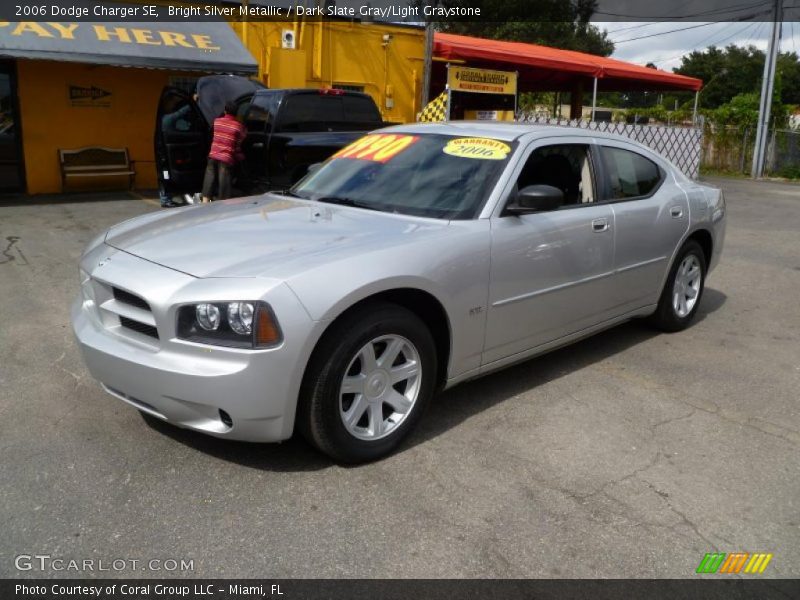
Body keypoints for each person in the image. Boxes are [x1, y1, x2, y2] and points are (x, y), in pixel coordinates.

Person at [201, 101, 245, 203]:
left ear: (225, 110)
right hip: (226, 159)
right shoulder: (239, 127)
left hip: (213, 156)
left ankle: (204, 204)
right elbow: (238, 145)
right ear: (237, 113)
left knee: (209, 181)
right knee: (224, 189)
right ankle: (222, 209)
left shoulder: (216, 122)